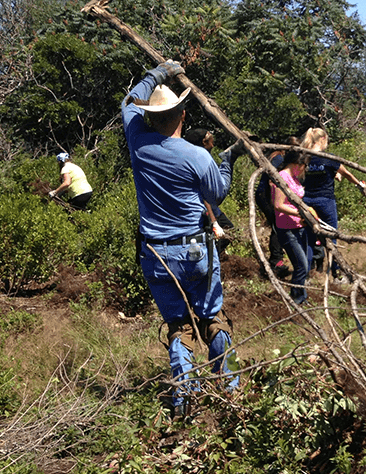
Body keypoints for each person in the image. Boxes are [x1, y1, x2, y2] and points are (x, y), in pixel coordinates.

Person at [121, 60, 243, 417]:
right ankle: (231, 392)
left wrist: (157, 74)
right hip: (194, 251)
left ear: (148, 117)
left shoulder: (138, 143)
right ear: (183, 116)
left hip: (156, 255)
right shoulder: (197, 156)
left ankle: (183, 402)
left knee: (179, 326)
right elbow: (216, 194)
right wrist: (227, 160)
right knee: (213, 318)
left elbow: (128, 104)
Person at [300, 127, 366, 276]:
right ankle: (336, 274)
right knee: (332, 237)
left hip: (307, 201)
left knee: (309, 239)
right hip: (325, 201)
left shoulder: (303, 158)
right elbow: (346, 173)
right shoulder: (329, 158)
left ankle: (305, 275)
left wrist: (332, 175)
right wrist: (360, 185)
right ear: (322, 139)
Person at [272, 148, 317, 305]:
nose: (305, 168)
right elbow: (278, 205)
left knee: (303, 265)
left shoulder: (295, 179)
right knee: (302, 266)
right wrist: (301, 213)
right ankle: (296, 299)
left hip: (299, 227)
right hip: (287, 228)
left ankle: (301, 296)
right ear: (297, 163)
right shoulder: (282, 177)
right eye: (304, 165)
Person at [254, 137, 299, 279]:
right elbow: (272, 182)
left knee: (277, 225)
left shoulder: (274, 156)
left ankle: (277, 257)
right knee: (277, 226)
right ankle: (276, 261)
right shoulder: (278, 159)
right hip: (266, 195)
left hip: (264, 194)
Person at [183, 127, 235, 247]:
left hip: (210, 209)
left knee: (228, 231)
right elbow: (206, 195)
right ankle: (227, 159)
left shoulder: (193, 158)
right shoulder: (201, 160)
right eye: (211, 139)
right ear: (204, 142)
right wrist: (214, 222)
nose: (213, 143)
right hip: (206, 209)